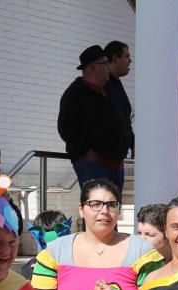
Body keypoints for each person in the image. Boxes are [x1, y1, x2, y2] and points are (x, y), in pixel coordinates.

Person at [58, 45, 131, 191]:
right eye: (104, 64)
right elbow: (66, 128)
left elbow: (123, 117)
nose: (108, 69)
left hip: (115, 162)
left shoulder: (110, 90)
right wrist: (86, 151)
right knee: (97, 204)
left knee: (113, 207)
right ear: (93, 68)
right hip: (94, 164)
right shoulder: (75, 94)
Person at [104, 40, 134, 157]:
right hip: (106, 157)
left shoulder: (116, 84)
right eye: (127, 56)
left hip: (116, 156)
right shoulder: (105, 85)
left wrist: (132, 142)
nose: (130, 61)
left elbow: (124, 120)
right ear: (116, 58)